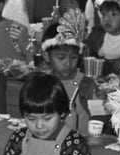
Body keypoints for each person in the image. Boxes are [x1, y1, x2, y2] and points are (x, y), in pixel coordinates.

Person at [2, 73, 92, 155]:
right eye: (31, 119)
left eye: (47, 118)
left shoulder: (74, 145)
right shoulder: (19, 138)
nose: (39, 126)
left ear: (62, 113)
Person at [40, 9, 97, 137]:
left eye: (74, 57)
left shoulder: (86, 85)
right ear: (46, 56)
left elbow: (99, 119)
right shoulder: (44, 83)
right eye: (61, 57)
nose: (68, 63)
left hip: (82, 143)